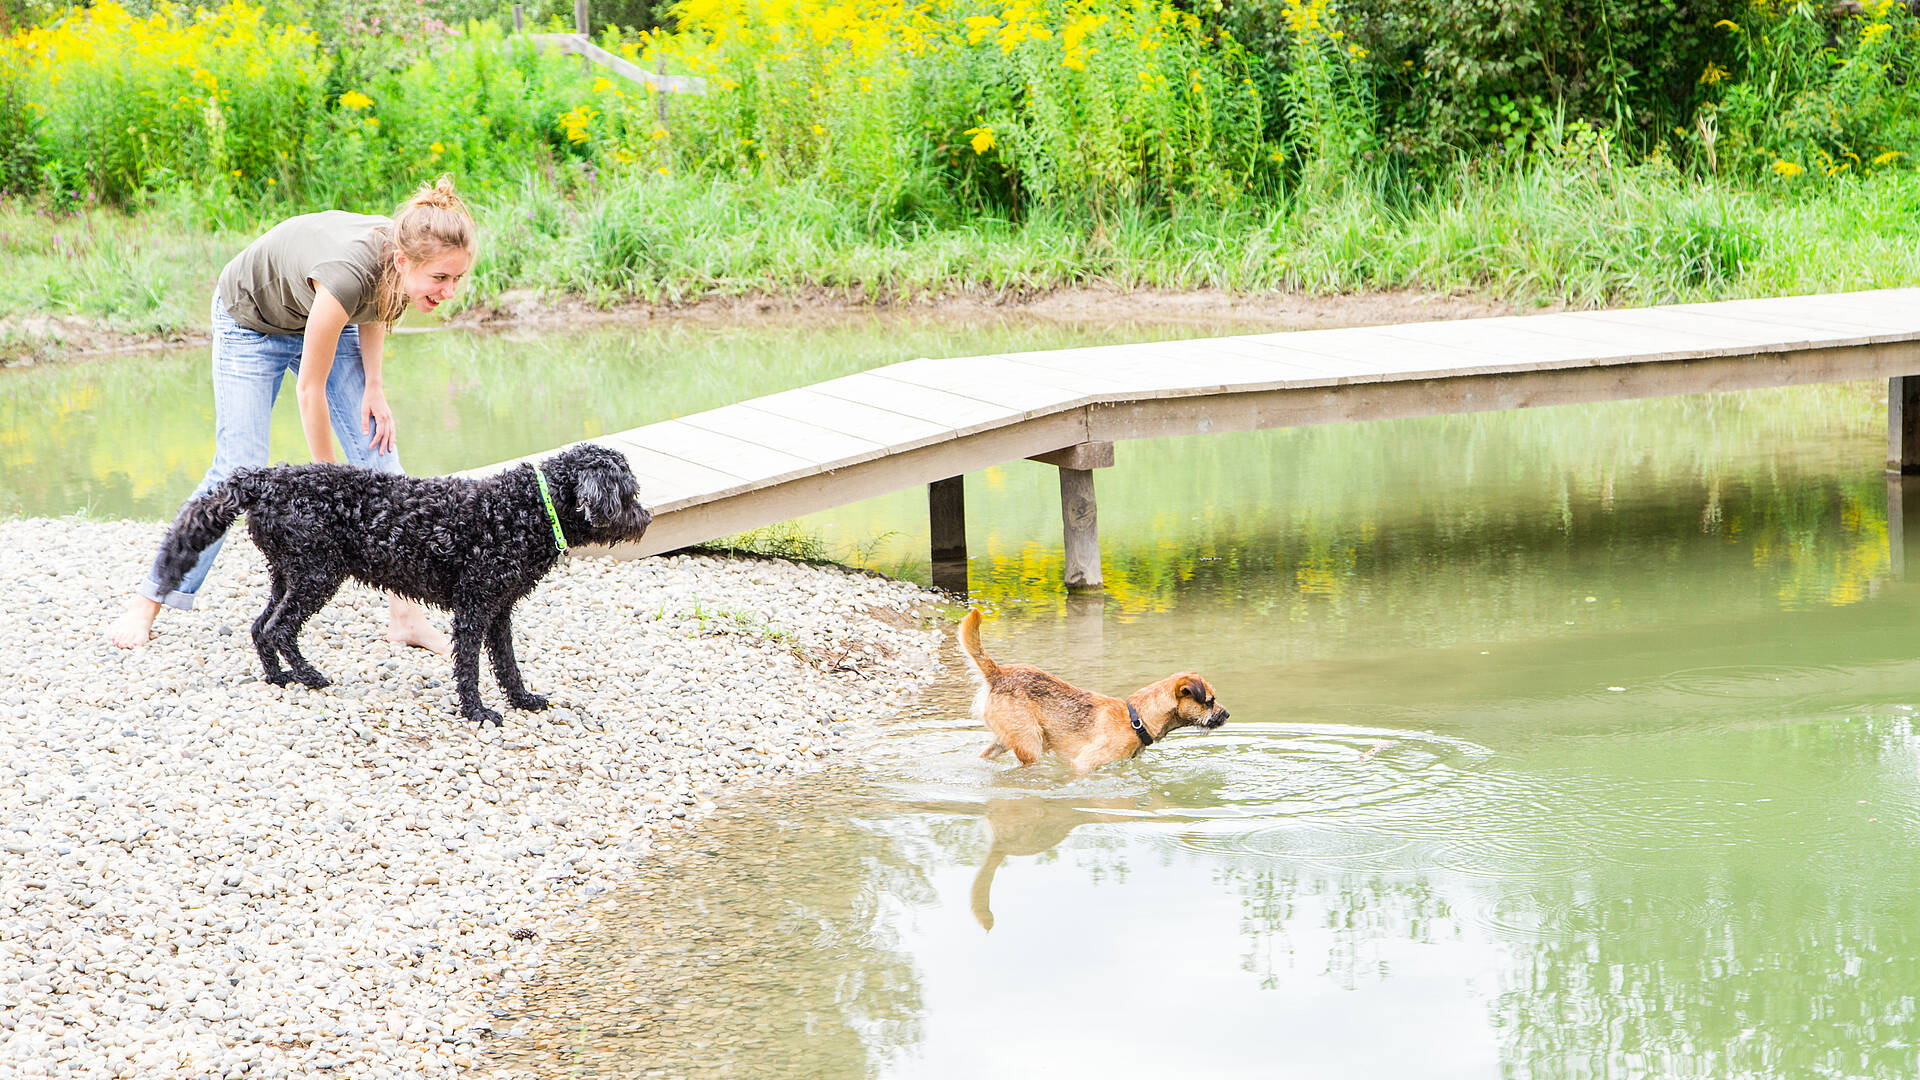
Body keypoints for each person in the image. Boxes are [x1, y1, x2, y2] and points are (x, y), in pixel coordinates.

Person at [108, 176, 478, 653]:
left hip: (324, 316)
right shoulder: (351, 272)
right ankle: (149, 600)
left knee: (381, 459)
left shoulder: (409, 254)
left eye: (457, 279)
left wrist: (375, 388)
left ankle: (405, 617)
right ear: (405, 261)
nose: (448, 291)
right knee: (237, 466)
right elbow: (310, 388)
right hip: (251, 322)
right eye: (441, 279)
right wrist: (329, 488)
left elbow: (376, 309)